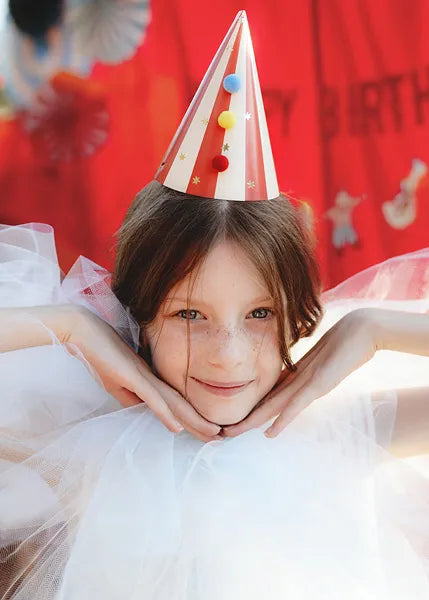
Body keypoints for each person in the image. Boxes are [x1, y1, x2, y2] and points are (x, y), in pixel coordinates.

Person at [1, 10, 429, 600]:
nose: (227, 356)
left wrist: (373, 328)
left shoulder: (339, 431)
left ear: (294, 313)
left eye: (260, 314)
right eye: (188, 314)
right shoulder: (84, 440)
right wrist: (72, 326)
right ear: (139, 313)